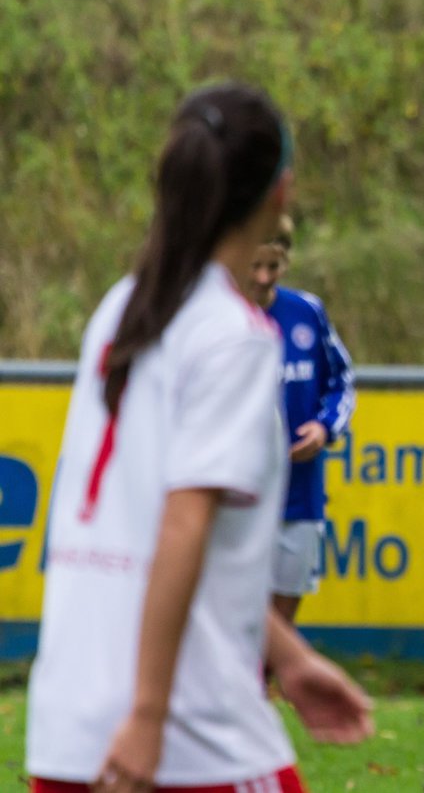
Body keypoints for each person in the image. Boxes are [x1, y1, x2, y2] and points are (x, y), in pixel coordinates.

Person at [25, 82, 373, 792]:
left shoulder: (123, 307)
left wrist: (289, 657)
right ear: (281, 190)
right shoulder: (234, 336)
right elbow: (184, 526)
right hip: (185, 734)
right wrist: (150, 714)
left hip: (67, 728)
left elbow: (155, 530)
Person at [248, 214, 356, 624]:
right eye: (254, 266)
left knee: (282, 615)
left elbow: (341, 380)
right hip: (241, 492)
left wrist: (324, 427)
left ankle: (265, 685)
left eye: (271, 267)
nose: (262, 277)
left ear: (285, 263)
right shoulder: (219, 317)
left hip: (301, 489)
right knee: (240, 612)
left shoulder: (307, 312)